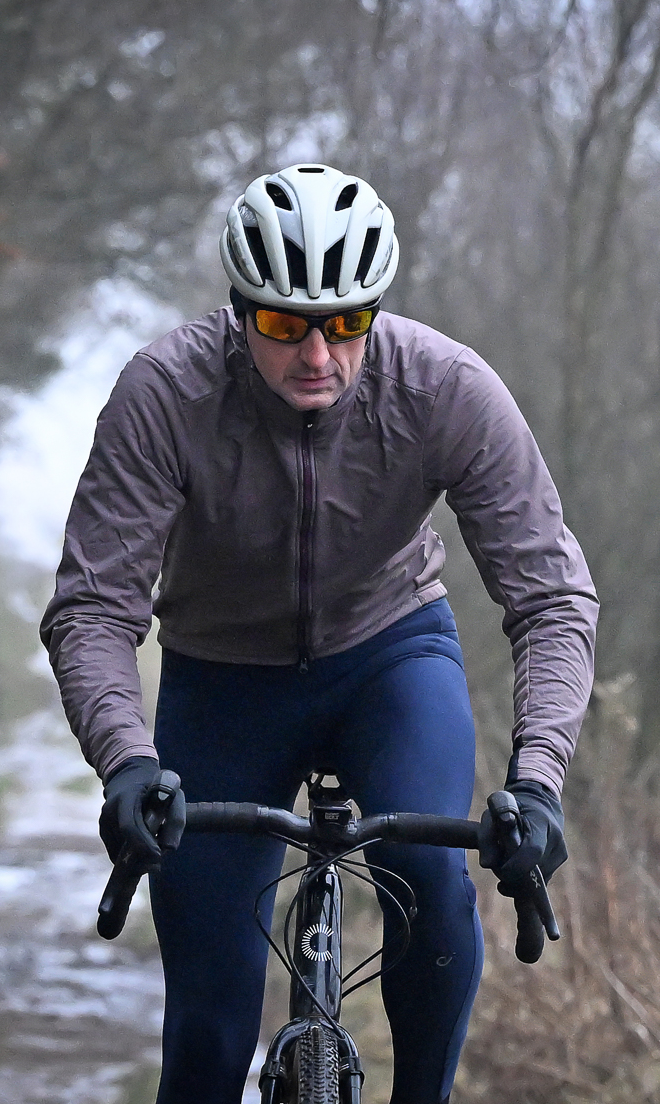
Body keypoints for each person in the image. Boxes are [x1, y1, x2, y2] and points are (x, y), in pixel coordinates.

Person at [40, 163, 598, 1104]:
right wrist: (127, 762)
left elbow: (551, 596)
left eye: (346, 323)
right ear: (239, 312)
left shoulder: (446, 389)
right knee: (209, 1033)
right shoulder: (165, 394)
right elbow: (93, 605)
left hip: (390, 656)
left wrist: (538, 780)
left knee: (431, 883)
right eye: (282, 323)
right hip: (222, 680)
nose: (317, 354)